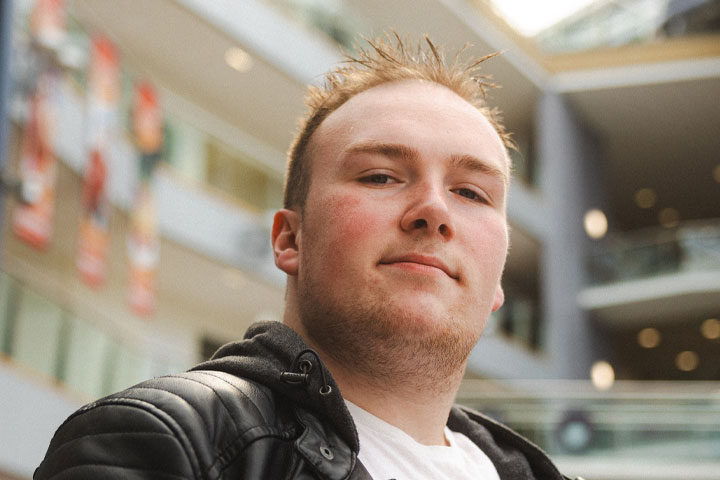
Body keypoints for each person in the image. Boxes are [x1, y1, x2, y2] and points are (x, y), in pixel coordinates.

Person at [35, 34, 575, 480]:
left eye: (472, 193)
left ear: (499, 276)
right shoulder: (169, 443)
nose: (434, 211)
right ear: (290, 240)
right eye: (380, 176)